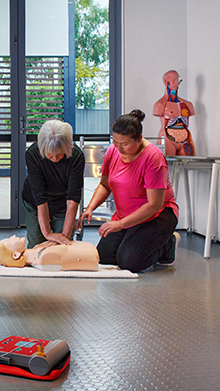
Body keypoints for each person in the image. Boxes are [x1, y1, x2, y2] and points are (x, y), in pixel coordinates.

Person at [76, 109, 179, 272]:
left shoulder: (154, 158)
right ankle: (135, 235)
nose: (118, 147)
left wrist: (121, 224)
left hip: (157, 216)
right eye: (115, 142)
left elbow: (154, 205)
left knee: (129, 262)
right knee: (104, 257)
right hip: (127, 216)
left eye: (124, 144)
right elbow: (105, 185)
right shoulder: (113, 151)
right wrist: (90, 208)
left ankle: (167, 244)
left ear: (139, 139)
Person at [22, 120, 85, 248]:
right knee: (36, 244)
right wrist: (48, 233)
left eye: (59, 154)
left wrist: (65, 238)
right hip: (35, 202)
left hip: (63, 203)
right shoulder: (33, 154)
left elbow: (73, 200)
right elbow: (40, 196)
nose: (55, 159)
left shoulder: (76, 156)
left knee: (62, 247)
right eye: (50, 155)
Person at [0, 235, 99, 271]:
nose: (13, 236)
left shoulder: (37, 249)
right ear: (15, 255)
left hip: (90, 250)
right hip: (91, 253)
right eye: (9, 240)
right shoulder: (43, 257)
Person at [153, 70, 195, 156]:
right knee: (166, 165)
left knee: (187, 166)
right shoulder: (160, 104)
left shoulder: (187, 104)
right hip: (167, 138)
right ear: (166, 82)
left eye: (178, 80)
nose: (177, 83)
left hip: (185, 140)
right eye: (174, 80)